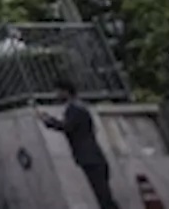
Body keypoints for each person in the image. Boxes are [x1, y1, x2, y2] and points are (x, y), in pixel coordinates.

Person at [40, 78, 119, 209]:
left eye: (58, 91)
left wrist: (48, 120)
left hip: (90, 158)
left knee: (104, 197)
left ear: (66, 92)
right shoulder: (79, 107)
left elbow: (67, 127)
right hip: (93, 156)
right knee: (104, 196)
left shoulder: (74, 108)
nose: (56, 95)